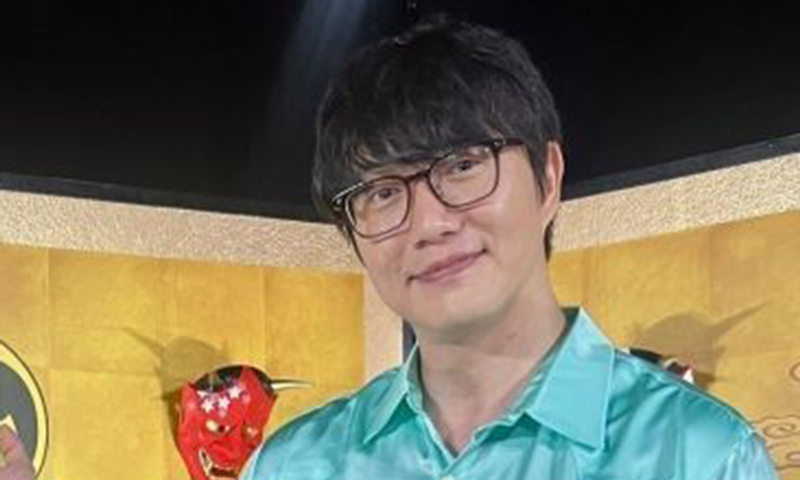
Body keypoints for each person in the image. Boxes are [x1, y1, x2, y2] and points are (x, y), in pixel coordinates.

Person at [241, 15, 778, 480]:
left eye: (463, 166)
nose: (429, 223)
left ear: (549, 176)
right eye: (382, 193)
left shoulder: (698, 456)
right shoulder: (293, 466)